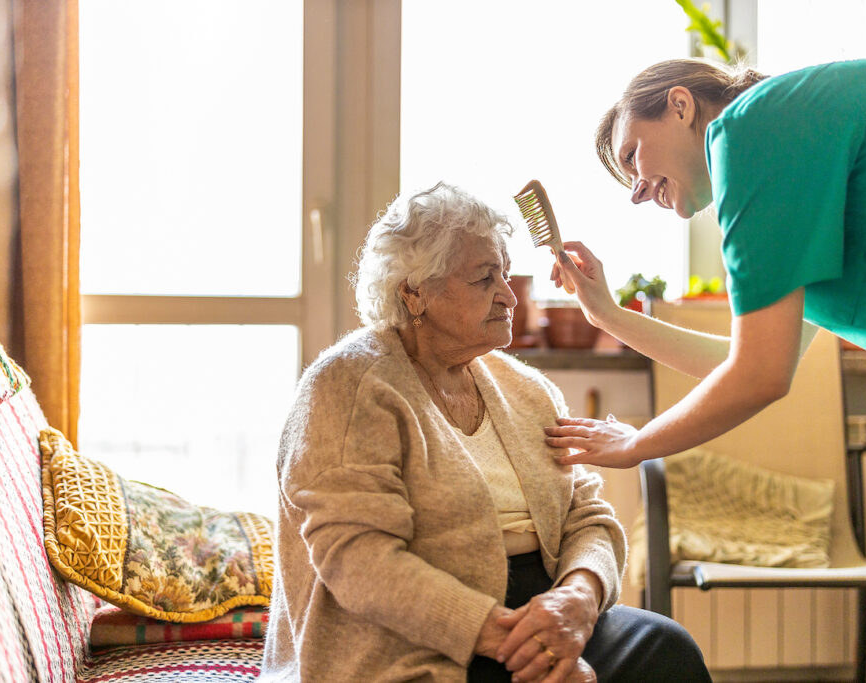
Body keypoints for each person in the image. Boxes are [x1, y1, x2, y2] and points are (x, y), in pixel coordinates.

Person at [543, 57, 866, 680]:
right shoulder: (791, 160)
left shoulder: (753, 130)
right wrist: (609, 316)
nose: (635, 188)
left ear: (680, 106)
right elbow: (747, 358)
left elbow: (759, 376)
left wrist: (636, 444)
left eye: (632, 157)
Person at [259, 181, 711, 682]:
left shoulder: (525, 390)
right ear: (414, 293)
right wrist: (516, 642)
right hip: (406, 635)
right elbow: (359, 561)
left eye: (506, 275)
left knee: (665, 648)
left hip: (545, 612)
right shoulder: (350, 384)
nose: (508, 296)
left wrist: (577, 602)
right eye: (483, 279)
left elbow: (588, 518)